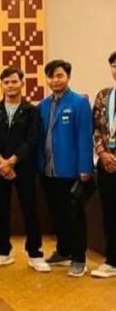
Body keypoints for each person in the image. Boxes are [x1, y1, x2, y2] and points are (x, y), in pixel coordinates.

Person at [0, 67, 48, 272]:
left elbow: (32, 139)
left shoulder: (31, 111)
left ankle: (35, 253)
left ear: (22, 83)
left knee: (29, 209)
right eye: (6, 82)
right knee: (1, 210)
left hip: (24, 167)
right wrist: (0, 160)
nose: (10, 86)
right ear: (1, 85)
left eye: (14, 81)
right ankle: (3, 252)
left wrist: (12, 161)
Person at [38, 59, 94, 277]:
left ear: (68, 77)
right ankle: (63, 251)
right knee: (57, 214)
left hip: (71, 170)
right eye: (51, 76)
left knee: (74, 216)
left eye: (60, 75)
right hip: (49, 170)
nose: (55, 80)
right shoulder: (43, 106)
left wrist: (85, 168)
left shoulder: (79, 103)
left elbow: (84, 137)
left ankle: (79, 259)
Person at [92, 51, 116, 278]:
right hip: (107, 161)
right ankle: (112, 260)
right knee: (109, 212)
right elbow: (96, 129)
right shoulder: (103, 96)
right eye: (114, 66)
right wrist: (102, 153)